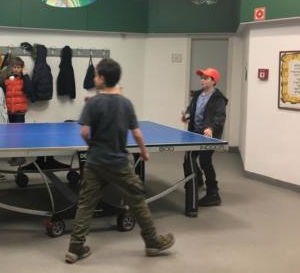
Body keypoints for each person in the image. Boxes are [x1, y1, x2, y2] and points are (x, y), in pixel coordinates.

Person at [65, 58, 174, 264]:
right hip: (119, 163)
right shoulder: (126, 103)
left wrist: (91, 144)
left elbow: (84, 131)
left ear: (102, 79)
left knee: (86, 204)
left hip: (95, 162)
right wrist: (144, 153)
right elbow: (138, 134)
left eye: (96, 75)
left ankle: (75, 248)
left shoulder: (93, 102)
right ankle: (152, 242)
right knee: (137, 199)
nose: (94, 78)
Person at [182, 67, 227, 207]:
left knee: (205, 161)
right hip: (194, 133)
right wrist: (188, 115)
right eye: (201, 77)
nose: (202, 79)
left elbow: (220, 116)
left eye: (206, 77)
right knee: (188, 159)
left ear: (213, 81)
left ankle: (213, 193)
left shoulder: (218, 98)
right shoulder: (197, 95)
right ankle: (197, 180)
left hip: (208, 135)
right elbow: (191, 108)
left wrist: (211, 127)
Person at [3, 57, 32, 123]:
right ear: (11, 68)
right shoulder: (7, 79)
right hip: (9, 112)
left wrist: (25, 75)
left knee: (19, 132)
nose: (16, 69)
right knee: (10, 132)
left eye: (18, 67)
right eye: (14, 67)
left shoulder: (25, 79)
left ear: (22, 68)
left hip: (20, 113)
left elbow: (29, 91)